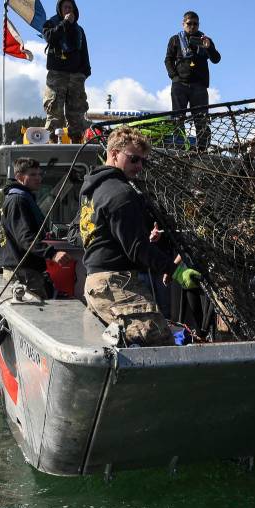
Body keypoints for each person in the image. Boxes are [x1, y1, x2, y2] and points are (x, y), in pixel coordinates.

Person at [79, 126, 202, 346]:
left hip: (95, 284)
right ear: (114, 153)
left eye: (143, 161)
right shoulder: (122, 193)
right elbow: (137, 250)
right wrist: (177, 271)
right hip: (115, 282)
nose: (139, 167)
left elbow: (97, 235)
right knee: (159, 340)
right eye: (134, 159)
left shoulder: (94, 190)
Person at [0, 158, 69, 298]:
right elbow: (25, 237)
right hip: (23, 273)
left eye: (39, 174)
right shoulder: (18, 200)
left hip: (26, 270)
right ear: (19, 177)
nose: (38, 178)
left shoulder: (20, 198)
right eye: (32, 175)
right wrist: (52, 254)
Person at [164, 11, 221, 149]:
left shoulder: (205, 39)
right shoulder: (175, 39)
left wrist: (209, 47)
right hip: (180, 85)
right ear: (183, 24)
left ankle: (202, 149)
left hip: (199, 86)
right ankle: (178, 147)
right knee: (178, 118)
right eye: (189, 23)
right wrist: (174, 76)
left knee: (201, 119)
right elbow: (168, 60)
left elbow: (216, 59)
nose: (192, 26)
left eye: (195, 24)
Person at [42, 0, 91, 143]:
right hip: (57, 74)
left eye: (70, 7)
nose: (68, 10)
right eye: (65, 7)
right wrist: (64, 23)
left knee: (77, 114)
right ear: (60, 10)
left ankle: (77, 145)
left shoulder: (79, 30)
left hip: (76, 76)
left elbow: (84, 52)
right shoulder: (51, 24)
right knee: (55, 111)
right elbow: (50, 37)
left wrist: (84, 72)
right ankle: (52, 144)